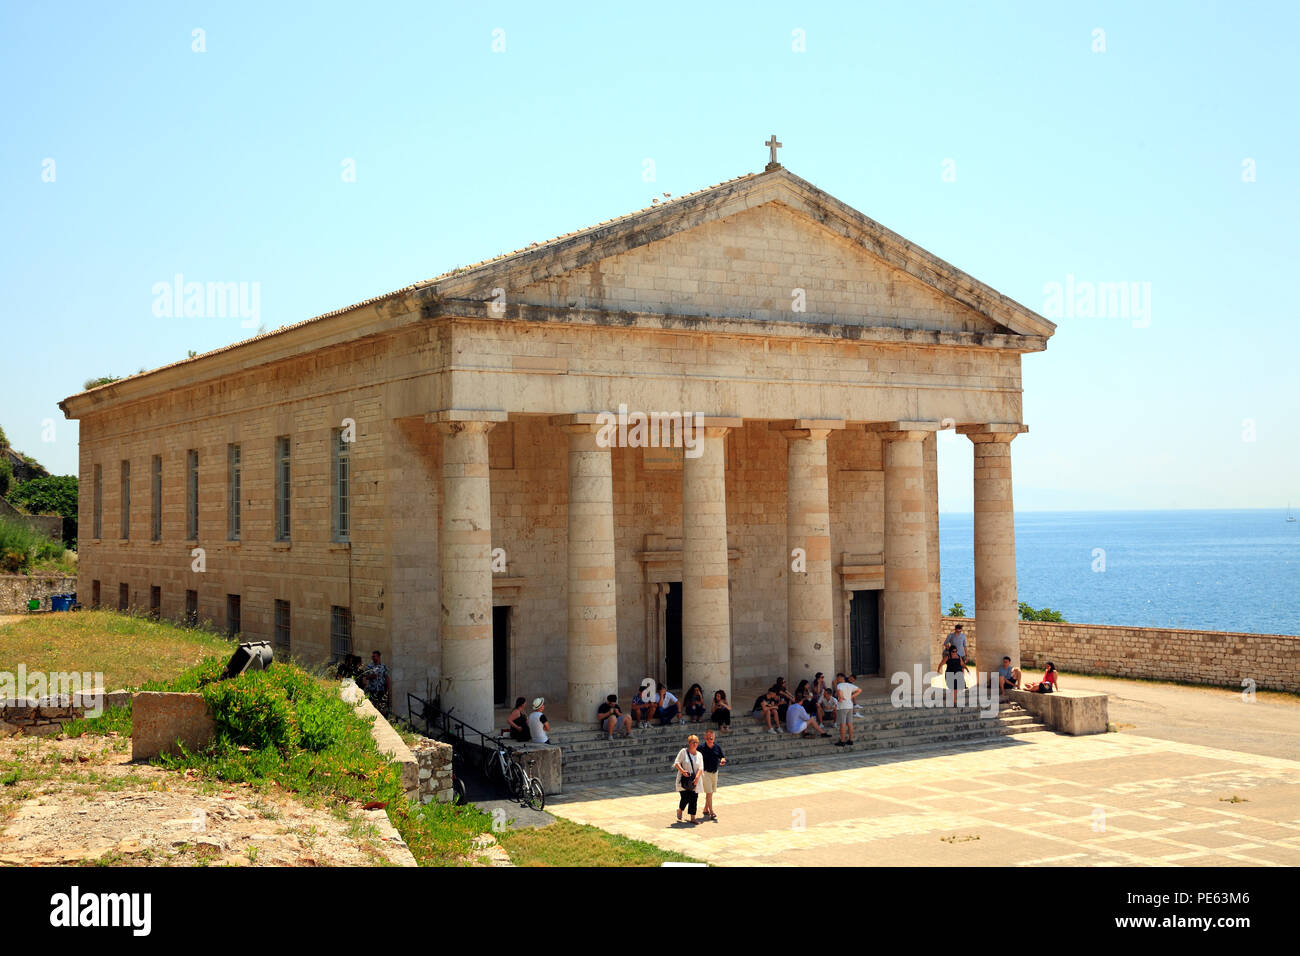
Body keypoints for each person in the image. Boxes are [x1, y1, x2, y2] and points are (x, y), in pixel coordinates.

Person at [673, 734, 704, 824]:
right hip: (684, 780)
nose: (695, 744)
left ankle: (693, 818)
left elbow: (701, 768)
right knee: (685, 798)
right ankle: (680, 809)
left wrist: (697, 778)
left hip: (695, 780)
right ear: (689, 743)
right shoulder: (683, 752)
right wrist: (683, 771)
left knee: (694, 798)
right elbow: (676, 763)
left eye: (696, 742)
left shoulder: (699, 755)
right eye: (693, 742)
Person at [698, 728, 727, 820]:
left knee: (711, 792)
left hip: (715, 772)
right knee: (709, 792)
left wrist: (722, 760)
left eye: (711, 738)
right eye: (707, 738)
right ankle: (711, 812)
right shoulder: (701, 748)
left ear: (714, 738)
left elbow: (722, 756)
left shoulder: (717, 747)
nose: (709, 739)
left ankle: (705, 809)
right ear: (705, 738)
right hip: (705, 772)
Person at [834, 672, 860, 747]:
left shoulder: (839, 685)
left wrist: (841, 697)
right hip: (850, 706)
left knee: (843, 724)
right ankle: (850, 740)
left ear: (841, 678)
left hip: (843, 706)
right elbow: (859, 690)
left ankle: (842, 741)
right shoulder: (850, 685)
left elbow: (839, 691)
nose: (837, 679)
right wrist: (851, 697)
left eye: (837, 678)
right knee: (850, 724)